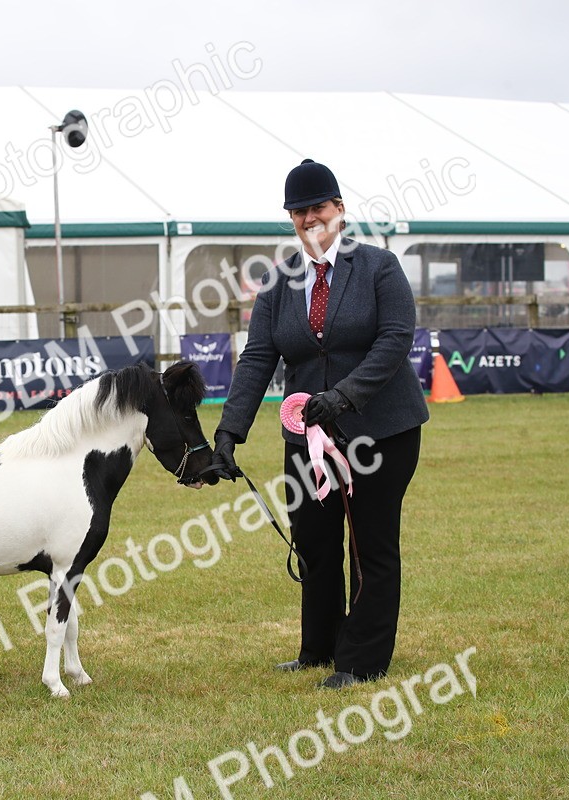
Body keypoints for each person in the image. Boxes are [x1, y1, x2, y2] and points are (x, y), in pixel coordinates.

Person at [204, 159, 429, 689]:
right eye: (298, 211)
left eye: (318, 207)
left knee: (369, 544)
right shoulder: (278, 282)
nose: (309, 218)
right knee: (314, 541)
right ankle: (320, 648)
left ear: (339, 210)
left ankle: (362, 659)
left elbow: (396, 338)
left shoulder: (379, 266)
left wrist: (344, 396)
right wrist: (230, 432)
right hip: (308, 437)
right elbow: (258, 357)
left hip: (381, 430)